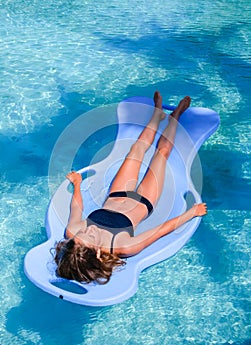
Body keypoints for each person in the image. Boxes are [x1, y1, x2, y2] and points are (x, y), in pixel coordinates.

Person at [54, 91, 207, 284]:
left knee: (136, 149)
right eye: (89, 238)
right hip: (145, 200)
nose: (86, 231)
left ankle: (157, 114)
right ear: (99, 254)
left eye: (80, 235)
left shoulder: (73, 234)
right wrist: (191, 213)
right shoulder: (124, 247)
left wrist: (77, 184)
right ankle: (175, 116)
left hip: (116, 193)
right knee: (163, 153)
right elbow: (161, 230)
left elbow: (77, 208)